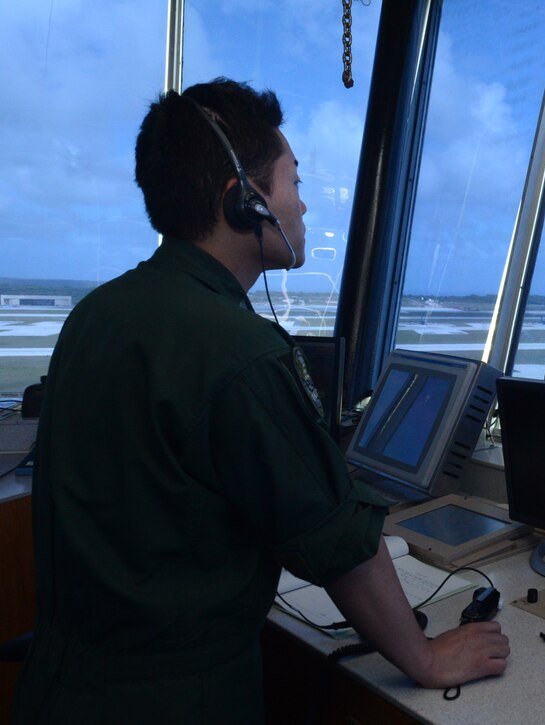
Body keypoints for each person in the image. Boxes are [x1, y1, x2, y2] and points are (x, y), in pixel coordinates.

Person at [11, 78, 509, 724]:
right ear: (243, 201)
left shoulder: (97, 314)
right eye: (293, 182)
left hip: (56, 694)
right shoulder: (240, 351)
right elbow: (341, 543)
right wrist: (427, 657)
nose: (303, 205)